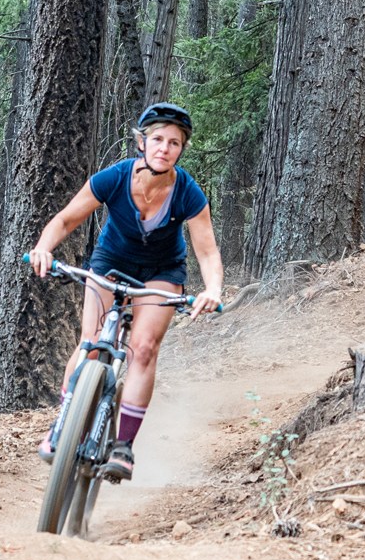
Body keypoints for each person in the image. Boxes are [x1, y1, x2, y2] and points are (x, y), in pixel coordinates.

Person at [28, 102, 224, 480]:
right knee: (90, 342)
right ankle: (64, 425)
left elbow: (207, 250)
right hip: (110, 263)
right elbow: (67, 218)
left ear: (181, 150)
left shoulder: (188, 193)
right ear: (142, 142)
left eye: (174, 143)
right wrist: (43, 247)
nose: (164, 148)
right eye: (157, 140)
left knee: (143, 349)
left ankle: (123, 446)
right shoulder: (114, 178)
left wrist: (213, 288)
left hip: (161, 272)